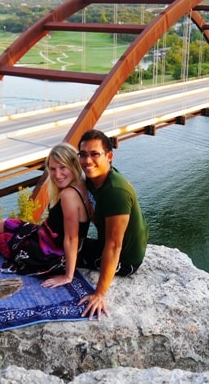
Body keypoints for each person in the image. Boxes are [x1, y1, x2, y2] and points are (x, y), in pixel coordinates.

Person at [0, 142, 92, 288]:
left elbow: (72, 238)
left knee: (1, 240)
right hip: (46, 236)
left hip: (52, 254)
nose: (57, 174)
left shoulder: (68, 195)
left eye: (63, 167)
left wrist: (68, 276)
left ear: (73, 164)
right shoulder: (81, 183)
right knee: (7, 224)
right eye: (52, 169)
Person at [76, 129, 149, 320]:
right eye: (83, 155)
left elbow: (114, 246)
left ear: (109, 156)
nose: (87, 161)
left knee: (60, 257)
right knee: (59, 246)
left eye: (94, 154)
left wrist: (99, 293)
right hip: (105, 245)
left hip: (125, 260)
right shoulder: (94, 178)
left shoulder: (116, 191)